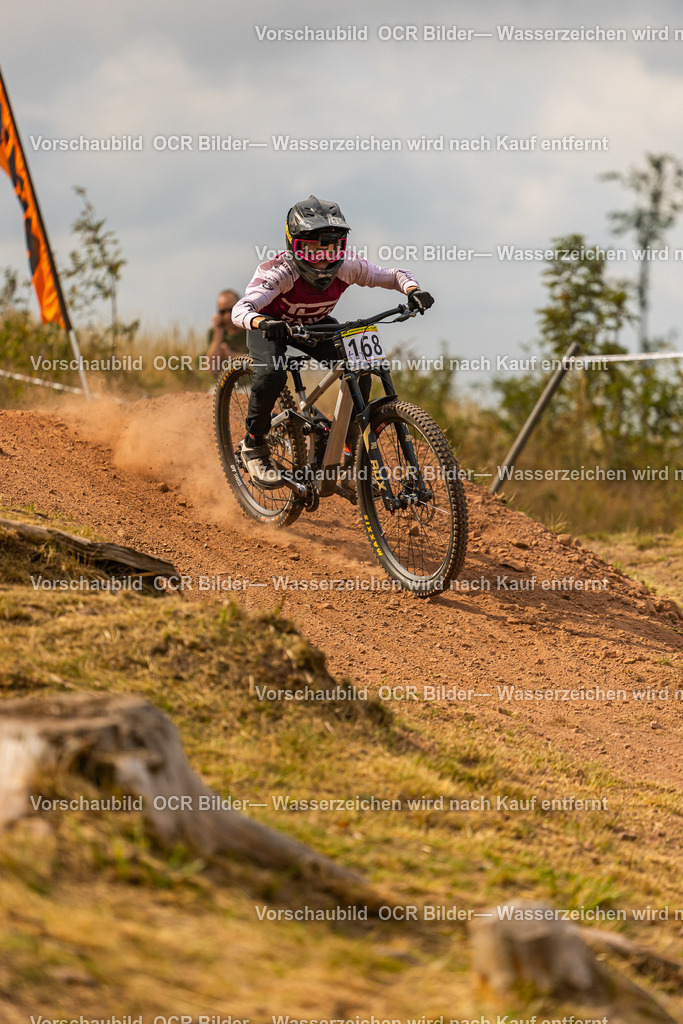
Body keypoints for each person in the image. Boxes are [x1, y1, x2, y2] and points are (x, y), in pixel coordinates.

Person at [231, 195, 433, 487]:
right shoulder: (281, 272)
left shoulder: (347, 266)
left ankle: (347, 455)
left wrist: (413, 290)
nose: (325, 259)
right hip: (272, 326)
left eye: (333, 248)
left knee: (361, 369)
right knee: (273, 374)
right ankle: (254, 445)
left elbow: (393, 275)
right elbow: (241, 309)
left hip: (315, 326)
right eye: (313, 251)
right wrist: (263, 322)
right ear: (294, 247)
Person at [206, 288, 248, 375]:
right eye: (222, 311)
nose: (227, 316)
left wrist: (231, 356)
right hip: (222, 386)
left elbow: (260, 363)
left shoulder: (251, 330)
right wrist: (217, 337)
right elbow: (211, 369)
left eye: (231, 310)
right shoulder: (215, 332)